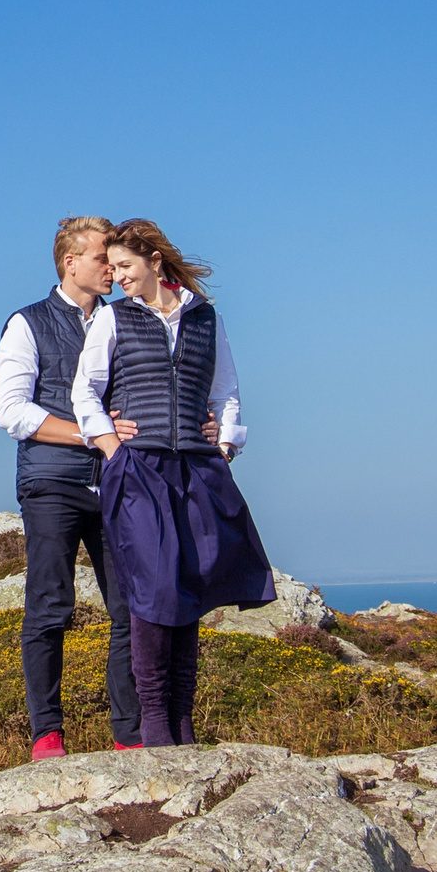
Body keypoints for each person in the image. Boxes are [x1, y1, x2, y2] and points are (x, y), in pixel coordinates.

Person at [71, 219, 276, 747]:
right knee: (153, 590)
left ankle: (182, 722)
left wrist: (225, 444)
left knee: (192, 586)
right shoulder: (113, 320)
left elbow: (226, 391)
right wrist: (113, 450)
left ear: (154, 262)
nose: (116, 277)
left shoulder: (207, 318)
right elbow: (85, 392)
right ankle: (156, 726)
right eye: (111, 268)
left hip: (199, 471)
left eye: (124, 266)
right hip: (139, 470)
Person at [0, 217, 141, 759]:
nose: (112, 266)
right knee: (50, 605)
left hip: (117, 484)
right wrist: (93, 435)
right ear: (69, 262)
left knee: (131, 609)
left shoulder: (127, 321)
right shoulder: (26, 323)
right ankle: (47, 735)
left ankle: (130, 734)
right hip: (52, 482)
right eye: (102, 256)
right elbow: (12, 412)